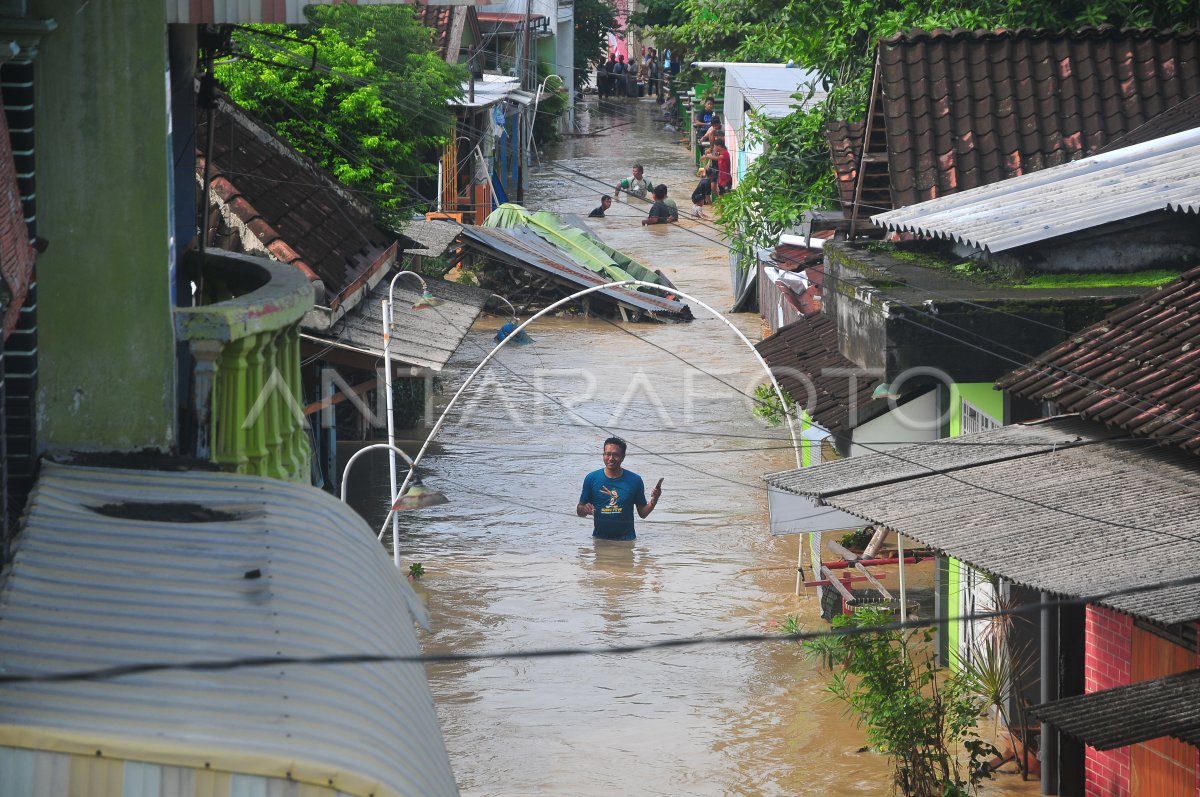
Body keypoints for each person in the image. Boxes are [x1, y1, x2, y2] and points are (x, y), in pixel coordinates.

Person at [577, 437, 662, 541]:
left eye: (616, 455)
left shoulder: (634, 480)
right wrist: (584, 509)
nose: (611, 458)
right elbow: (579, 511)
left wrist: (654, 500)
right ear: (603, 455)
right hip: (600, 541)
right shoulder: (591, 478)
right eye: (607, 454)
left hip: (626, 542)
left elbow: (643, 513)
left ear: (623, 457)